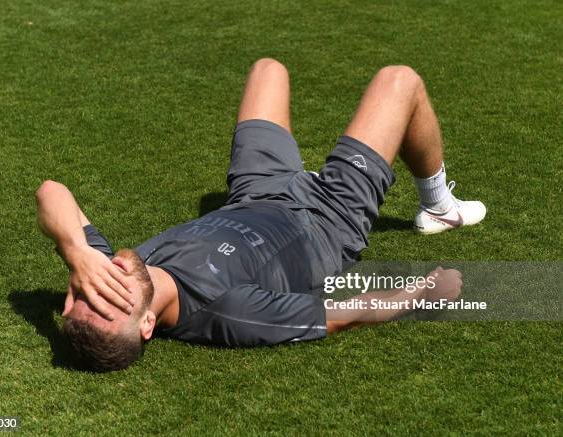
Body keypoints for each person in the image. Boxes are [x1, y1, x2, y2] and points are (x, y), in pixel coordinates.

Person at [36, 59, 484, 371]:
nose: (105, 282)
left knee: (268, 70)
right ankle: (439, 206)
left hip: (257, 191)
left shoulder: (110, 270)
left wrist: (77, 252)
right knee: (400, 81)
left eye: (85, 294)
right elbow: (340, 314)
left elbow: (51, 192)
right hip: (327, 217)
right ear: (148, 325)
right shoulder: (229, 313)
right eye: (112, 300)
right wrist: (423, 293)